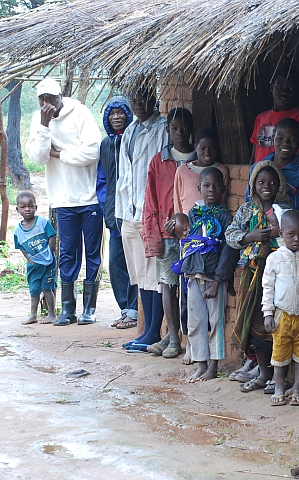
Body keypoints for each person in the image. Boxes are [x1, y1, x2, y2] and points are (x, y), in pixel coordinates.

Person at [25, 78, 102, 326]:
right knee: (68, 253)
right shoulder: (38, 121)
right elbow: (37, 156)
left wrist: (59, 154)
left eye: (52, 99)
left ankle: (89, 309)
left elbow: (93, 151)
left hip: (89, 196)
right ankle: (68, 309)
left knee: (92, 252)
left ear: (62, 96)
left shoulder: (79, 112)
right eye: (42, 100)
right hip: (63, 198)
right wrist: (45, 126)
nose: (47, 104)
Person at [226, 161, 291, 393]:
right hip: (251, 274)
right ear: (253, 185)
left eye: (272, 183)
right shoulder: (247, 209)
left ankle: (277, 375)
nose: (267, 187)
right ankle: (263, 373)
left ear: (279, 185)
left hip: (278, 274)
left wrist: (278, 234)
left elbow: (293, 237)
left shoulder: (284, 210)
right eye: (262, 182)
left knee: (275, 321)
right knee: (254, 322)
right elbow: (230, 234)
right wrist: (250, 236)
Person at [115, 87, 169, 351]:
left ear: (153, 99)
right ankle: (147, 330)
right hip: (130, 211)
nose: (137, 104)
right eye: (133, 99)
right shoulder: (129, 131)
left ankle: (153, 332)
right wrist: (120, 212)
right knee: (139, 274)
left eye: (142, 98)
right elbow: (123, 175)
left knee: (154, 275)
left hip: (151, 212)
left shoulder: (162, 128)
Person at [141, 108, 197, 359]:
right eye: (175, 128)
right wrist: (153, 236)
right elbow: (151, 201)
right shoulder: (158, 161)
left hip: (194, 235)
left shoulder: (198, 160)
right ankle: (173, 338)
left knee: (189, 287)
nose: (180, 132)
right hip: (167, 234)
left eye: (185, 128)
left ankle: (178, 336)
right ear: (168, 130)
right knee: (167, 285)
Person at [178, 167, 240, 382]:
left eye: (216, 186)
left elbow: (228, 251)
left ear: (223, 189)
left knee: (215, 323)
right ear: (199, 188)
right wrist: (186, 271)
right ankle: (200, 364)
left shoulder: (224, 218)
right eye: (206, 185)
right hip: (193, 277)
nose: (211, 190)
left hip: (214, 280)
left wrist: (218, 280)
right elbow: (188, 244)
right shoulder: (194, 214)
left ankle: (213, 366)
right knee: (195, 323)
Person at [262, 210, 299, 407]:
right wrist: (268, 313)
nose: (297, 239)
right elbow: (267, 288)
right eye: (291, 234)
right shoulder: (275, 259)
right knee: (280, 352)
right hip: (282, 315)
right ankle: (279, 387)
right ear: (281, 234)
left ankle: (297, 388)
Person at [96, 96, 139, 329]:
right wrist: (107, 208)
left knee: (133, 261)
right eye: (111, 113)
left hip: (132, 212)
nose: (116, 117)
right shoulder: (105, 144)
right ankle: (125, 307)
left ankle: (134, 310)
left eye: (120, 112)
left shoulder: (132, 140)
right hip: (114, 214)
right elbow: (102, 180)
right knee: (116, 263)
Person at [250, 67, 299, 163]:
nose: (284, 92)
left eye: (290, 88)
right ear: (272, 88)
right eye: (280, 87)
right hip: (260, 174)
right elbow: (255, 150)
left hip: (284, 175)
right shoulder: (261, 118)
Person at [245, 118, 299, 210]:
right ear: (272, 139)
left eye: (292, 140)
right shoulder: (257, 168)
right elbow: (248, 199)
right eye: (280, 138)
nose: (285, 143)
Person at [14, 191, 57, 326]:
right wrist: (30, 260)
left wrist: (49, 253)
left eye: (31, 206)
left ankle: (52, 314)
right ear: (17, 209)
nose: (27, 209)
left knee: (47, 287)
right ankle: (33, 315)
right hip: (33, 265)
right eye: (23, 207)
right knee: (34, 289)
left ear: (36, 207)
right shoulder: (18, 231)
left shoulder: (43, 223)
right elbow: (21, 247)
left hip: (48, 263)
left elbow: (52, 236)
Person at [173, 127, 231, 216]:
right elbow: (177, 202)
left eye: (212, 148)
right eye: (202, 148)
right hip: (188, 224)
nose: (207, 152)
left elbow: (222, 201)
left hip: (213, 224)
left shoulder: (221, 170)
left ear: (217, 148)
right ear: (195, 147)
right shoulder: (182, 171)